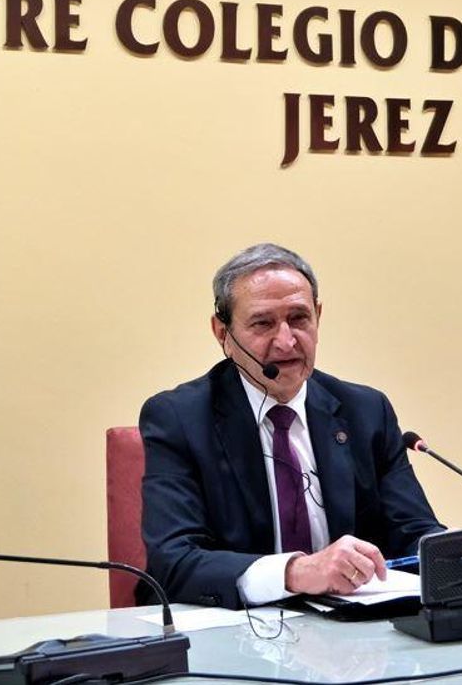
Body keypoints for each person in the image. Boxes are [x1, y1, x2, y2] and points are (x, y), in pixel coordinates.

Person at [139, 243, 443, 609]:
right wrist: (296, 571)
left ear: (318, 316)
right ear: (223, 333)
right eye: (263, 323)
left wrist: (456, 554)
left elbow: (412, 534)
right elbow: (174, 561)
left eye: (299, 318)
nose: (286, 341)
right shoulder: (179, 418)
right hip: (235, 632)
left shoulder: (365, 411)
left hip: (354, 640)